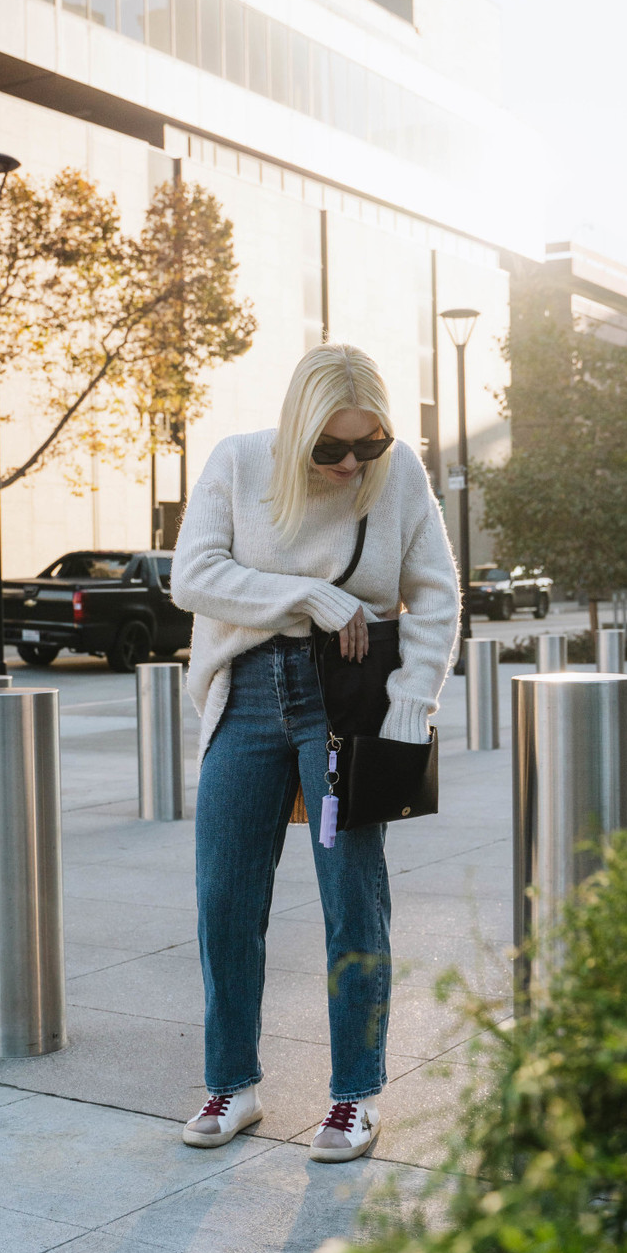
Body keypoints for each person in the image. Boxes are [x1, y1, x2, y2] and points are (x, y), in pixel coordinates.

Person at [170, 342, 460, 1162]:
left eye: (365, 445)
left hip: (347, 703)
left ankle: (355, 1097)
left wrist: (412, 707)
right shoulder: (237, 462)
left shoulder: (398, 474)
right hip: (249, 693)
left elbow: (436, 592)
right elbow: (193, 577)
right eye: (329, 448)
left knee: (352, 903)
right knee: (224, 896)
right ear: (296, 431)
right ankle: (233, 1082)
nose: (348, 464)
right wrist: (306, 594)